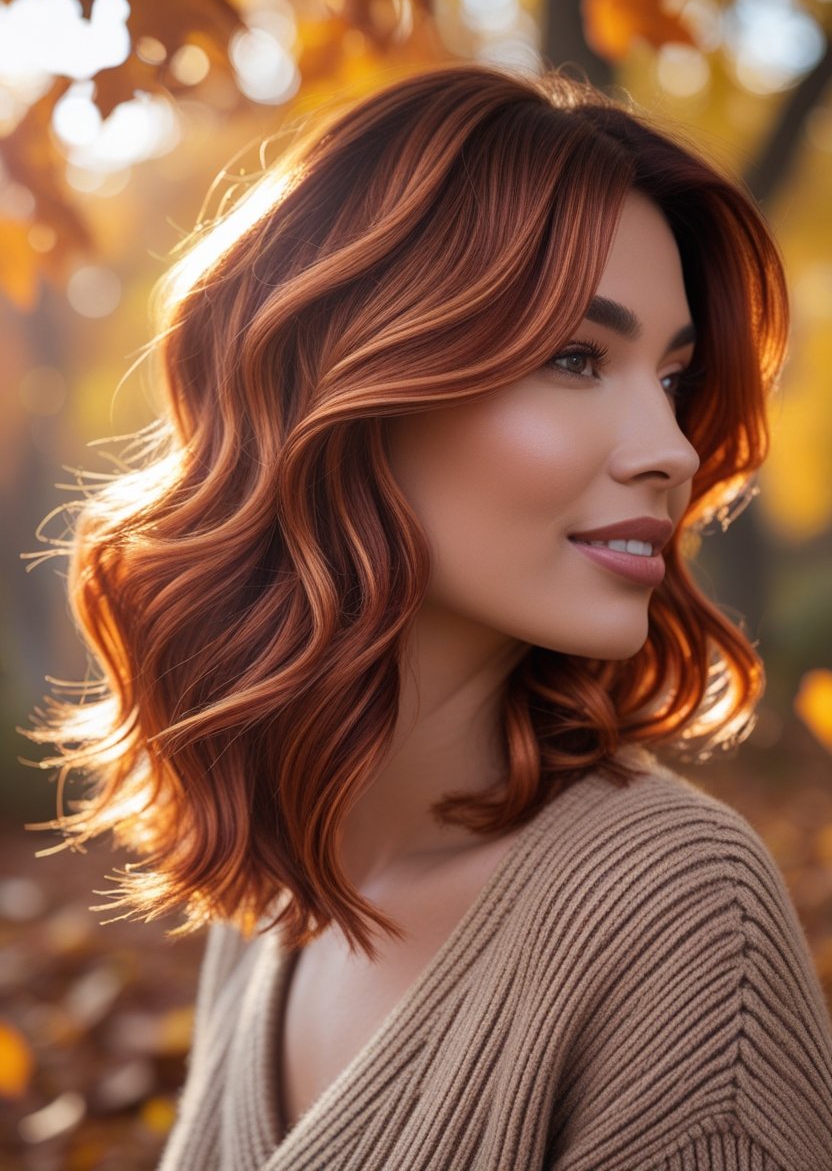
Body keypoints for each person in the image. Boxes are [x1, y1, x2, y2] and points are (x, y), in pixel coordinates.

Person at [26, 62, 832, 1169]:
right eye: (575, 357)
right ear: (357, 389)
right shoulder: (277, 890)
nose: (673, 450)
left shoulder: (681, 908)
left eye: (674, 378)